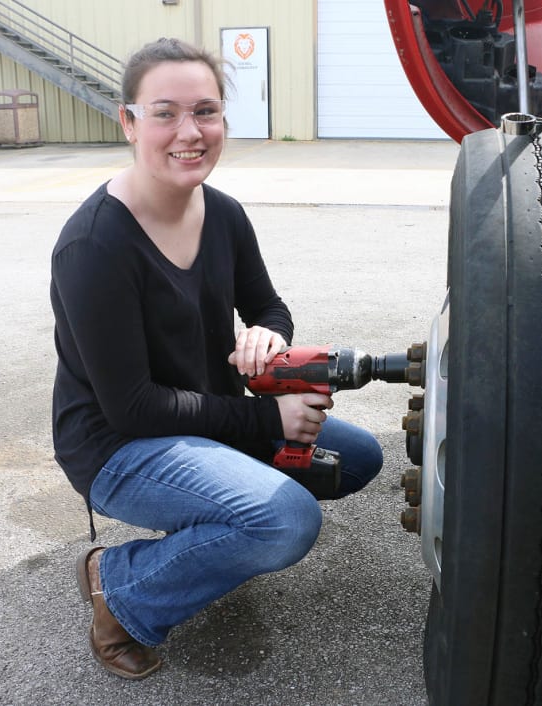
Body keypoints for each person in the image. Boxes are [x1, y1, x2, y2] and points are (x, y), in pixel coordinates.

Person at [50, 37, 383, 679]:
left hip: (206, 414)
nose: (189, 131)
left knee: (357, 459)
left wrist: (265, 334)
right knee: (285, 519)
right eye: (165, 112)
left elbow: (269, 305)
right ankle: (118, 588)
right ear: (128, 121)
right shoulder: (93, 245)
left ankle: (222, 532)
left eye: (205, 111)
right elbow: (133, 405)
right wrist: (269, 423)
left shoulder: (223, 214)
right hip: (119, 446)